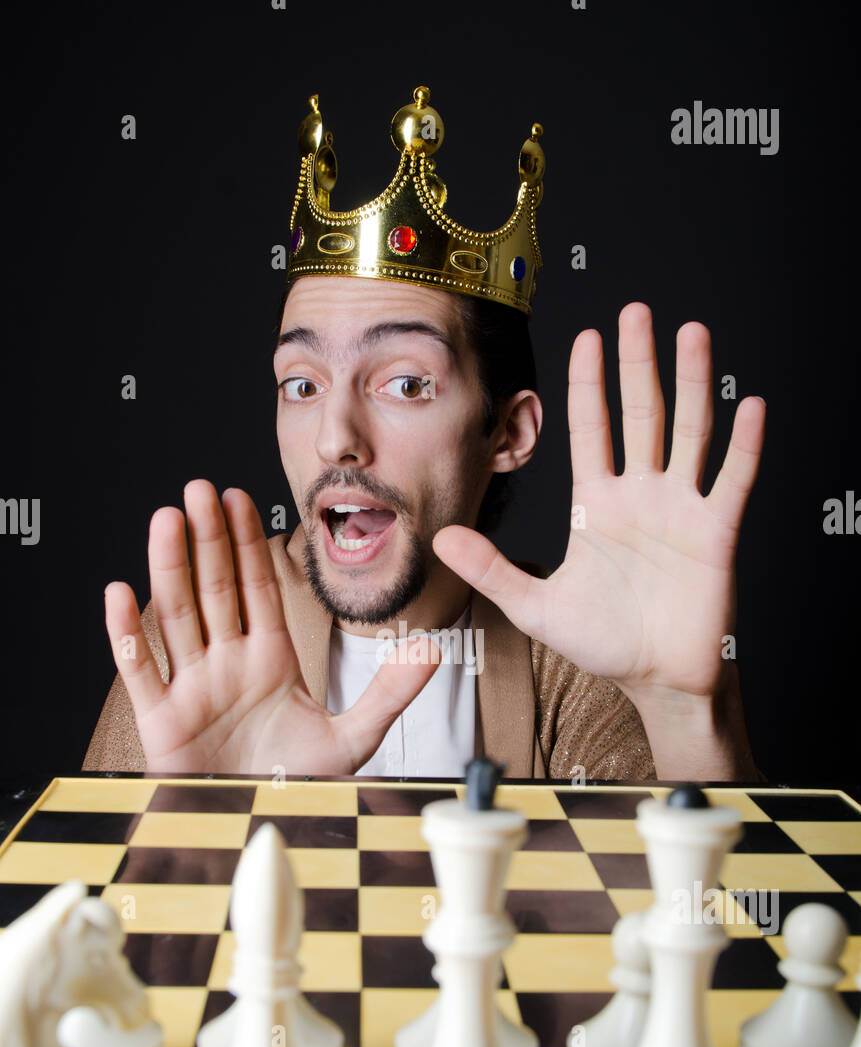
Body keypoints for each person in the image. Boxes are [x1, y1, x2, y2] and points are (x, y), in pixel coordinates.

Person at [83, 87, 764, 783]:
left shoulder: (581, 654)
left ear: (507, 431)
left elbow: (700, 894)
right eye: (302, 383)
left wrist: (684, 710)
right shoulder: (200, 645)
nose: (333, 438)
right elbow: (92, 893)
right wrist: (201, 820)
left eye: (405, 384)